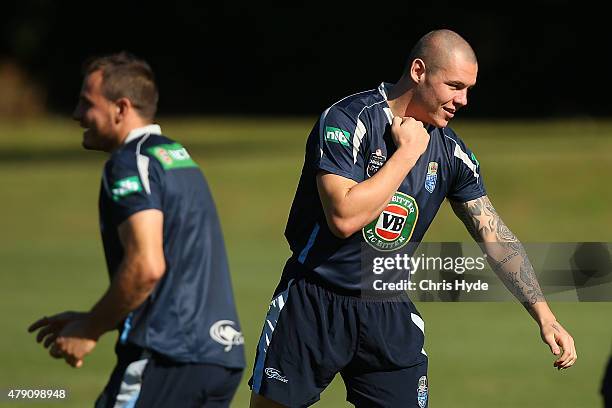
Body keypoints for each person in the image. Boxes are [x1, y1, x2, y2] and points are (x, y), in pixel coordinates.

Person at [248, 29, 577, 408]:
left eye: (468, 89)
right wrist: (406, 155)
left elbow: (493, 234)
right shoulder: (348, 119)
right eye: (454, 86)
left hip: (388, 310)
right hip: (314, 303)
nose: (463, 100)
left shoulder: (452, 151)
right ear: (419, 71)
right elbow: (343, 217)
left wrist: (544, 315)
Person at [28, 52, 245, 407]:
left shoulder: (129, 163)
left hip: (165, 357)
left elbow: (147, 267)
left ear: (121, 108)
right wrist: (94, 316)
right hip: (218, 360)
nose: (77, 115)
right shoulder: (175, 156)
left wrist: (89, 329)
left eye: (87, 103)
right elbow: (174, 278)